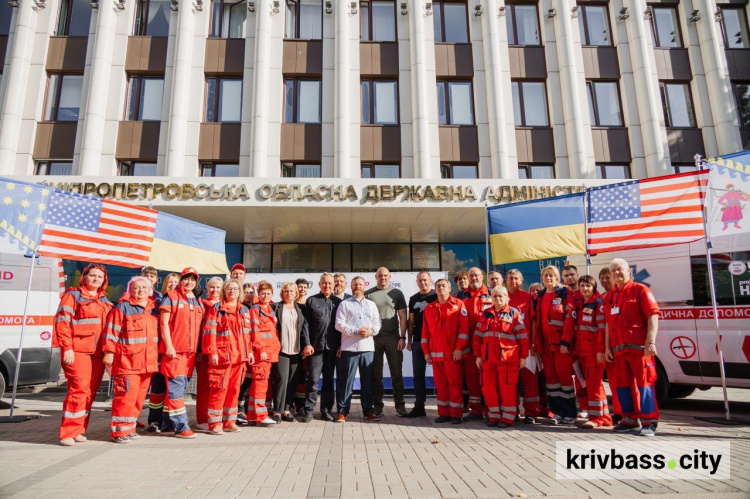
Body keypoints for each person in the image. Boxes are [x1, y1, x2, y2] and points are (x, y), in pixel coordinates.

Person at [55, 264, 113, 446]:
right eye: (92, 275)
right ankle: (68, 432)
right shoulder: (73, 295)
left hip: (97, 353)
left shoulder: (105, 300)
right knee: (78, 390)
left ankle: (79, 429)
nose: (96, 279)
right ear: (84, 277)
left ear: (104, 281)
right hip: (78, 351)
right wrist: (67, 348)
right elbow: (62, 322)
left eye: (100, 277)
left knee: (89, 392)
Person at [605, 258, 660, 436]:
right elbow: (607, 323)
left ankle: (649, 422)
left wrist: (650, 342)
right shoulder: (611, 296)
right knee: (622, 386)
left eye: (619, 270)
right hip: (619, 350)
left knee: (645, 385)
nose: (616, 274)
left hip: (640, 349)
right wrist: (607, 347)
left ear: (629, 271)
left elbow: (653, 315)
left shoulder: (640, 290)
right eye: (613, 271)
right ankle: (629, 419)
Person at [102, 276, 159, 443]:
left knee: (138, 399)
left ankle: (130, 429)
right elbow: (111, 332)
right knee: (126, 397)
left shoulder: (153, 309)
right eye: (136, 287)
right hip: (128, 362)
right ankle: (119, 432)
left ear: (149, 290)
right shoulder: (122, 308)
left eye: (143, 287)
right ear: (130, 290)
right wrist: (109, 353)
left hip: (147, 363)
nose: (140, 290)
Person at [202, 279, 254, 434]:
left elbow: (248, 334)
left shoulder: (244, 310)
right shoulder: (216, 309)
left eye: (235, 289)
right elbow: (209, 332)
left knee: (234, 390)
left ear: (239, 292)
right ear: (224, 291)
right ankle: (215, 423)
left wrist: (249, 351)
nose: (232, 291)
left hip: (240, 358)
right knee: (219, 389)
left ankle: (230, 421)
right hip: (223, 356)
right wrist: (213, 352)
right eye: (229, 288)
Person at [473, 286, 529, 427]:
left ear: (507, 298)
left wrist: (523, 357)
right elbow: (477, 336)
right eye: (495, 296)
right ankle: (494, 416)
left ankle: (508, 418)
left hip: (508, 358)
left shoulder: (514, 313)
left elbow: (522, 337)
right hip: (488, 359)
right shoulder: (486, 314)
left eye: (501, 296)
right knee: (488, 388)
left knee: (507, 389)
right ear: (491, 298)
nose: (498, 299)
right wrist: (478, 356)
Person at [159, 267, 204, 438]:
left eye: (193, 279)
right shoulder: (171, 297)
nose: (189, 282)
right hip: (175, 352)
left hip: (191, 354)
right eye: (186, 278)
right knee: (177, 389)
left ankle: (167, 423)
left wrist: (198, 349)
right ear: (181, 280)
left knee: (180, 388)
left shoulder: (197, 300)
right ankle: (181, 427)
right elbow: (164, 324)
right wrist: (169, 346)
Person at [563, 275, 612, 429]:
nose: (585, 289)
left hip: (593, 353)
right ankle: (599, 415)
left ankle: (598, 418)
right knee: (583, 384)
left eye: (588, 286)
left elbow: (602, 329)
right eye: (582, 286)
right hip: (581, 352)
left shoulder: (597, 304)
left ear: (593, 287)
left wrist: (600, 350)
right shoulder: (580, 304)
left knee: (594, 384)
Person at [335, 276, 382, 422]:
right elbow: (339, 324)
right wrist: (356, 331)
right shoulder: (344, 304)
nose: (357, 287)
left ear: (364, 286)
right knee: (346, 381)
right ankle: (343, 411)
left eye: (360, 284)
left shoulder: (371, 304)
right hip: (349, 348)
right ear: (351, 286)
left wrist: (371, 331)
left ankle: (368, 410)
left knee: (367, 381)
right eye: (355, 284)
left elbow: (377, 323)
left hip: (367, 348)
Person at [422, 279, 469, 424]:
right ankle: (443, 413)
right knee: (440, 384)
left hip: (452, 354)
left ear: (449, 288)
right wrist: (426, 352)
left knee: (454, 384)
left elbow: (464, 330)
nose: (441, 288)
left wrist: (458, 349)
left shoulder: (458, 305)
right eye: (438, 286)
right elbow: (425, 334)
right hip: (436, 355)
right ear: (435, 290)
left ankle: (456, 414)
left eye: (444, 286)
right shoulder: (429, 308)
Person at [535, 265, 577, 425]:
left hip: (561, 346)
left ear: (557, 277)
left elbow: (569, 319)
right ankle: (557, 412)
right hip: (545, 346)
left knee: (564, 378)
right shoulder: (540, 296)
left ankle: (570, 413)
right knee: (551, 379)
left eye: (551, 275)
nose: (548, 278)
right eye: (546, 275)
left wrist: (565, 342)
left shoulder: (564, 294)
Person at [366, 267, 408, 417]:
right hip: (373, 339)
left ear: (389, 277)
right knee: (376, 374)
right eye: (380, 275)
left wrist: (402, 337)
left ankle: (400, 405)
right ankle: (377, 406)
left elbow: (403, 316)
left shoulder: (397, 293)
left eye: (385, 275)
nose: (382, 278)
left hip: (393, 338)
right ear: (375, 276)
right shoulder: (368, 294)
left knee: (396, 373)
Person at [301, 273, 341, 422]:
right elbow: (305, 325)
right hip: (315, 348)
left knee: (329, 381)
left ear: (334, 285)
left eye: (330, 283)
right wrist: (307, 344)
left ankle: (326, 410)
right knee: (313, 380)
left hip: (332, 348)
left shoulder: (339, 302)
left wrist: (341, 345)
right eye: (324, 283)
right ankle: (309, 411)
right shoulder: (311, 301)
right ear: (319, 284)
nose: (327, 286)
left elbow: (342, 326)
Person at [506, 269, 540, 424]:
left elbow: (534, 322)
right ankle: (512, 411)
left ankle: (531, 413)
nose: (513, 281)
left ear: (521, 281)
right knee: (511, 381)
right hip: (509, 347)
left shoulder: (528, 297)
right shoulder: (502, 297)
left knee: (530, 380)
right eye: (510, 278)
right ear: (506, 280)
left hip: (526, 346)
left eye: (516, 278)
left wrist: (533, 343)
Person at [272, 282, 309, 423]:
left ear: (296, 293)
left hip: (296, 350)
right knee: (281, 379)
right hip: (281, 350)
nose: (289, 293)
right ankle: (277, 410)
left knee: (292, 381)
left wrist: (307, 345)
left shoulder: (301, 308)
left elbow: (305, 328)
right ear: (282, 293)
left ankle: (287, 409)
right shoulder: (276, 307)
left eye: (291, 291)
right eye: (286, 291)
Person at [458, 267, 490, 421]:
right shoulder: (460, 295)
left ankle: (491, 410)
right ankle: (475, 410)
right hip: (468, 345)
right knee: (472, 380)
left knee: (489, 379)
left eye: (476, 275)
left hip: (487, 344)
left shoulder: (491, 294)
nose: (474, 278)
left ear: (482, 277)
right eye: (471, 275)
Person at [248, 281, 281, 427]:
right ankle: (261, 416)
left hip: (270, 353)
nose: (265, 295)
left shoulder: (270, 309)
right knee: (260, 384)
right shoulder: (256, 309)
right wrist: (259, 350)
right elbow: (254, 331)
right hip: (261, 353)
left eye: (268, 293)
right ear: (258, 294)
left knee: (259, 384)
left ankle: (251, 415)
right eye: (262, 293)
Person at [405, 271, 437, 418]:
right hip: (418, 341)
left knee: (441, 375)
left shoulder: (437, 296)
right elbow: (411, 321)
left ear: (430, 281)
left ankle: (445, 407)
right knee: (418, 375)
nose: (423, 283)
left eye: (425, 280)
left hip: (436, 341)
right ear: (417, 282)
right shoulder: (413, 299)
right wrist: (409, 339)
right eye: (420, 280)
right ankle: (419, 406)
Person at [195, 276, 223, 431]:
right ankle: (202, 419)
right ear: (207, 288)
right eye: (212, 287)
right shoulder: (203, 304)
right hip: (205, 353)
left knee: (218, 387)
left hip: (221, 352)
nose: (215, 290)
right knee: (204, 385)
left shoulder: (225, 305)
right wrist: (200, 349)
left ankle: (216, 418)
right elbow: (199, 329)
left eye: (218, 287)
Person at [598, 267, 622, 423]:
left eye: (607, 277)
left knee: (623, 381)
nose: (605, 281)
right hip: (607, 346)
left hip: (620, 344)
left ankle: (627, 412)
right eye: (602, 278)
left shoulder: (618, 295)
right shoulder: (601, 298)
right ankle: (619, 412)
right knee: (613, 381)